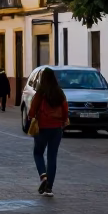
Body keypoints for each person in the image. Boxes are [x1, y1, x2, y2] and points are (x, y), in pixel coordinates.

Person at [27, 68, 69, 197]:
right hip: (56, 129)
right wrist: (63, 121)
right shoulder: (59, 92)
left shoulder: (40, 92)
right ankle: (49, 188)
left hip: (42, 127)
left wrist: (31, 117)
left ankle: (43, 177)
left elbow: (32, 109)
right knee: (52, 156)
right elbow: (65, 109)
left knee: (38, 153)